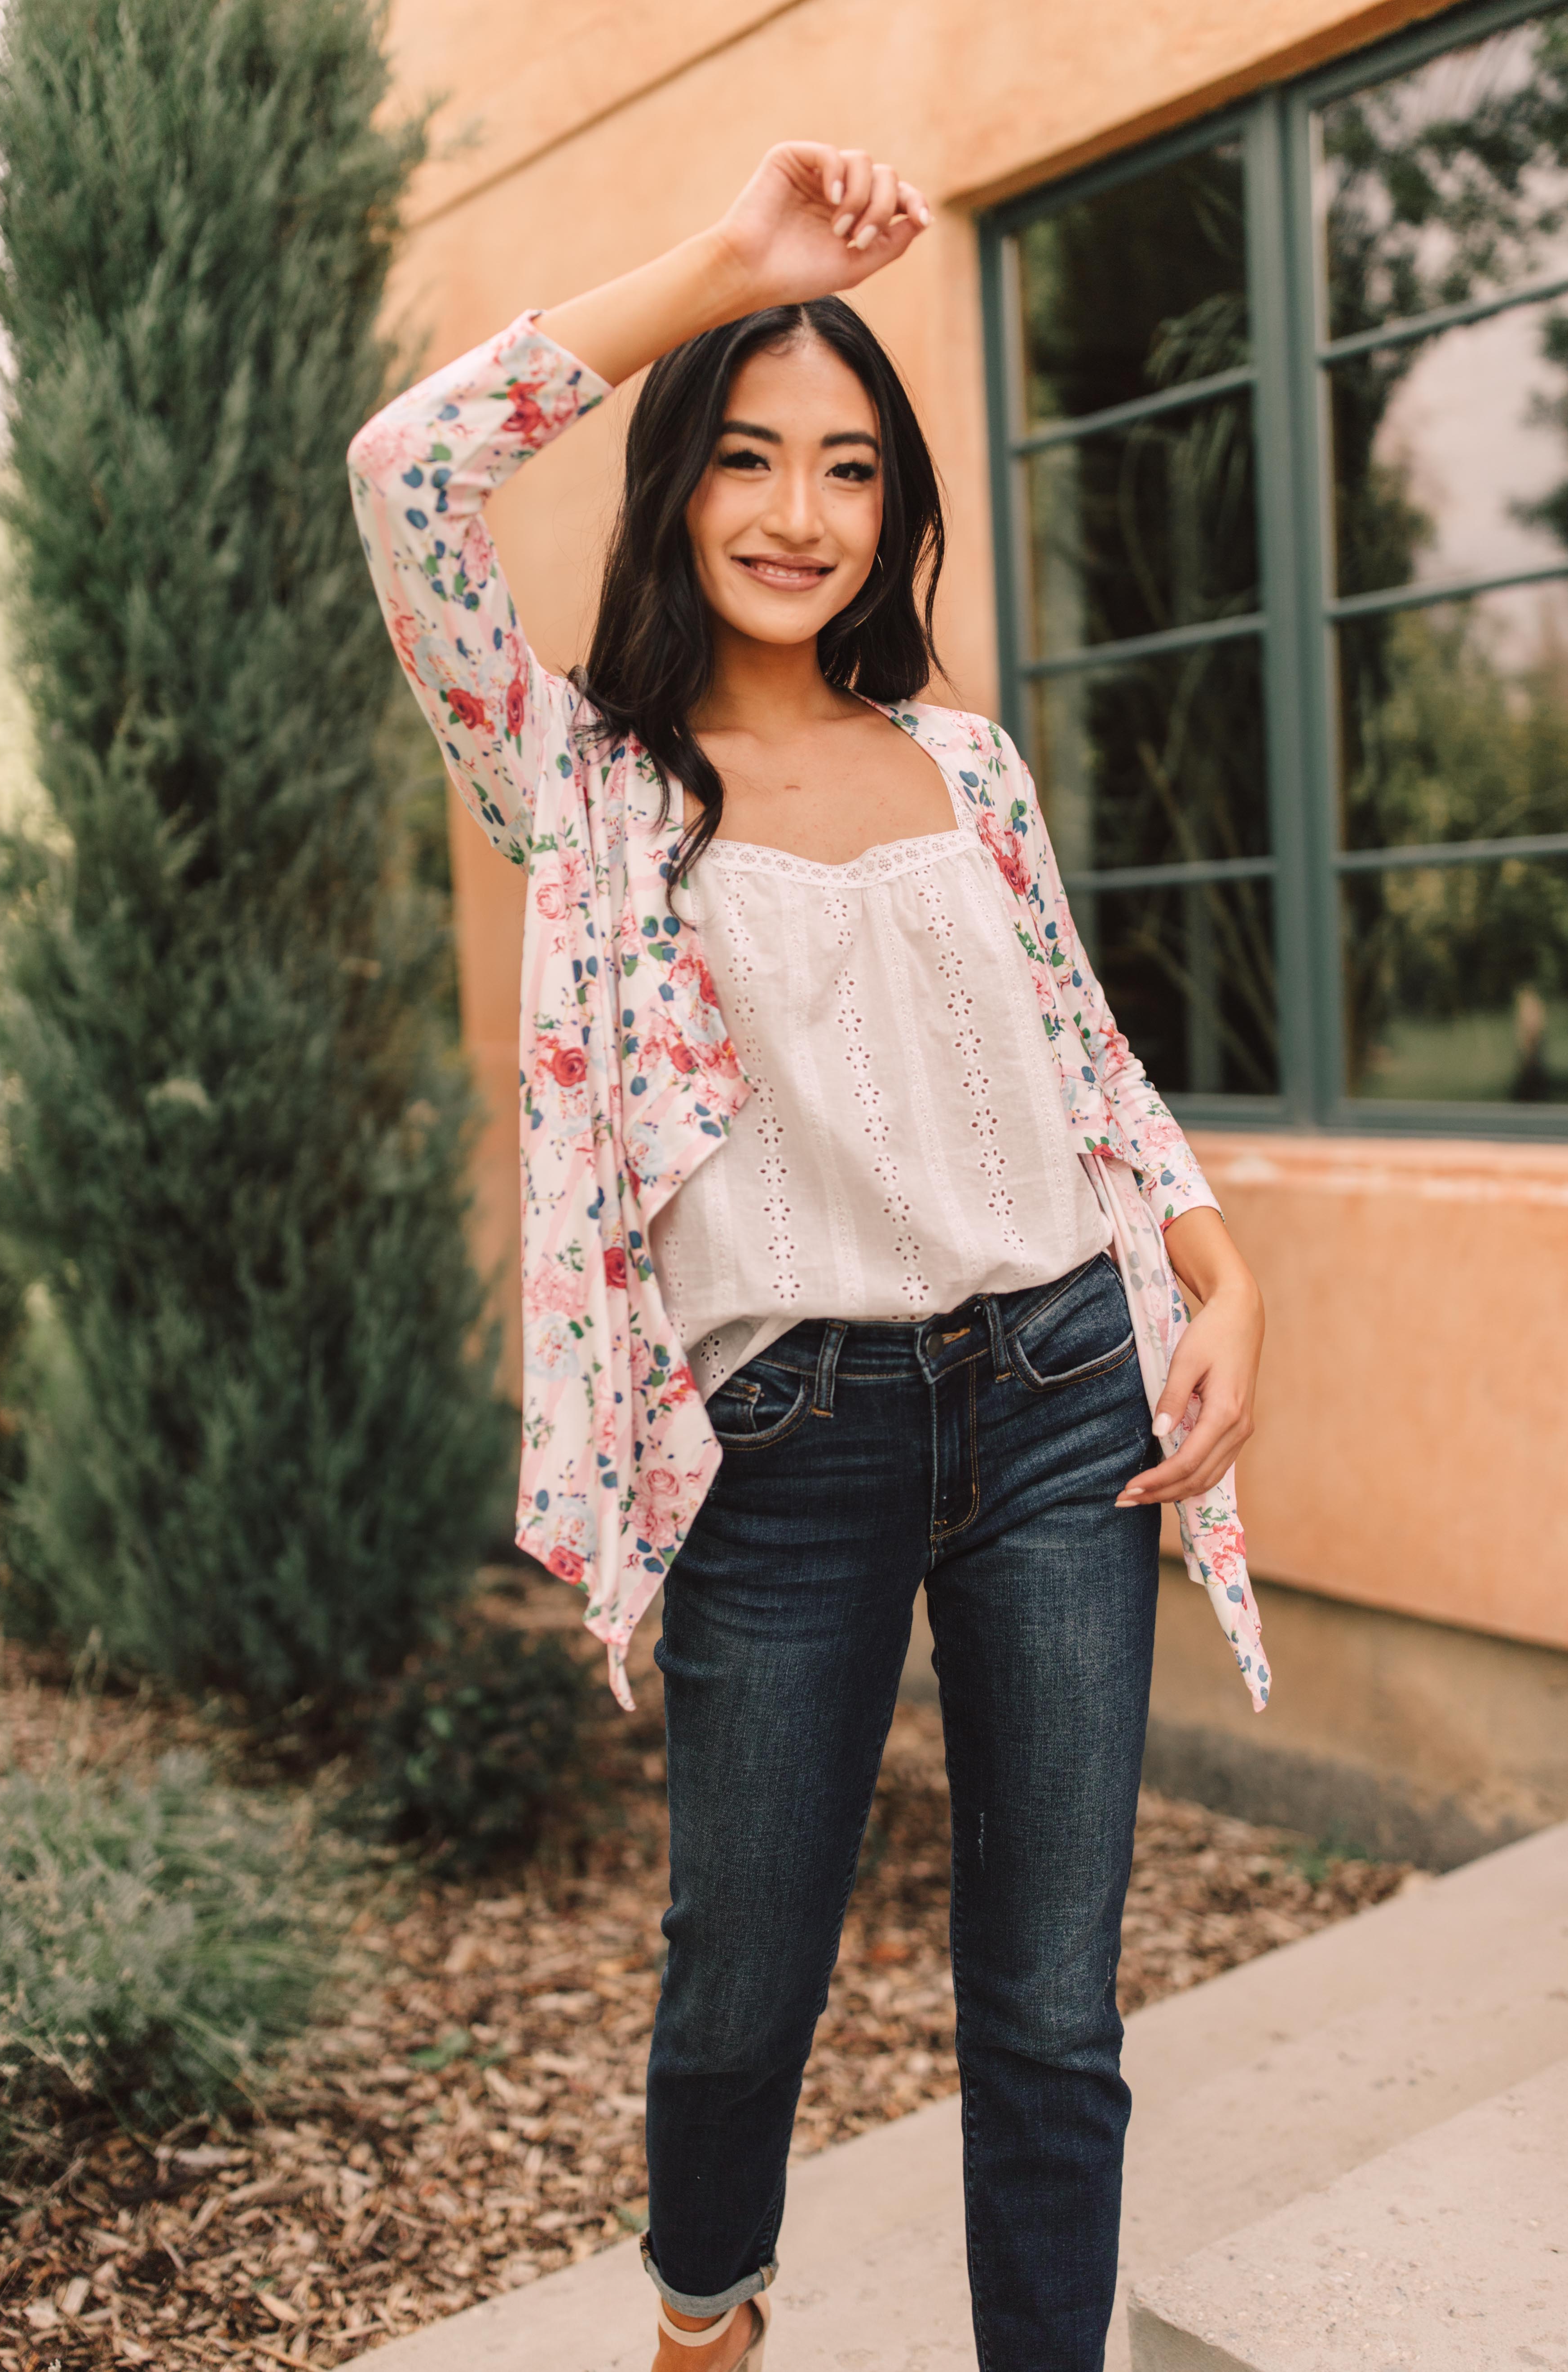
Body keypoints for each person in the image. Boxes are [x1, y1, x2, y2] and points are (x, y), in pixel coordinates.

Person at [348, 141, 1268, 2372]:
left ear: (893, 512)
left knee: (1050, 1996)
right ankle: (704, 2320)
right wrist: (731, 270)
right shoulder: (584, 781)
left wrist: (1219, 1270)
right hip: (784, 1438)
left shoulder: (965, 765)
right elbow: (406, 475)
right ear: (676, 482)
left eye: (849, 468)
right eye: (748, 454)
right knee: (740, 1975)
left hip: (1065, 1391)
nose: (797, 508)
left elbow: (1082, 1049)